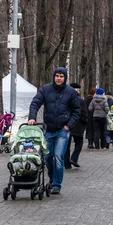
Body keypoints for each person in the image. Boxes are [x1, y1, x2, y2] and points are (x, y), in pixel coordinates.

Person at [28, 67, 80, 195]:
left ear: (65, 78)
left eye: (61, 76)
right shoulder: (46, 89)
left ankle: (56, 184)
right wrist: (32, 117)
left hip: (63, 130)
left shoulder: (70, 92)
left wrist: (69, 125)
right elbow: (35, 103)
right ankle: (51, 179)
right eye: (57, 76)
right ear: (53, 76)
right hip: (49, 129)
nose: (59, 78)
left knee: (58, 156)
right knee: (47, 156)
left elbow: (77, 111)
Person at [64, 82, 88, 169]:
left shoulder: (65, 99)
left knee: (66, 145)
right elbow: (84, 113)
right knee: (79, 142)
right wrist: (85, 122)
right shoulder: (80, 100)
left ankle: (66, 163)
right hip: (78, 125)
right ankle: (74, 158)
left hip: (67, 125)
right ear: (77, 90)